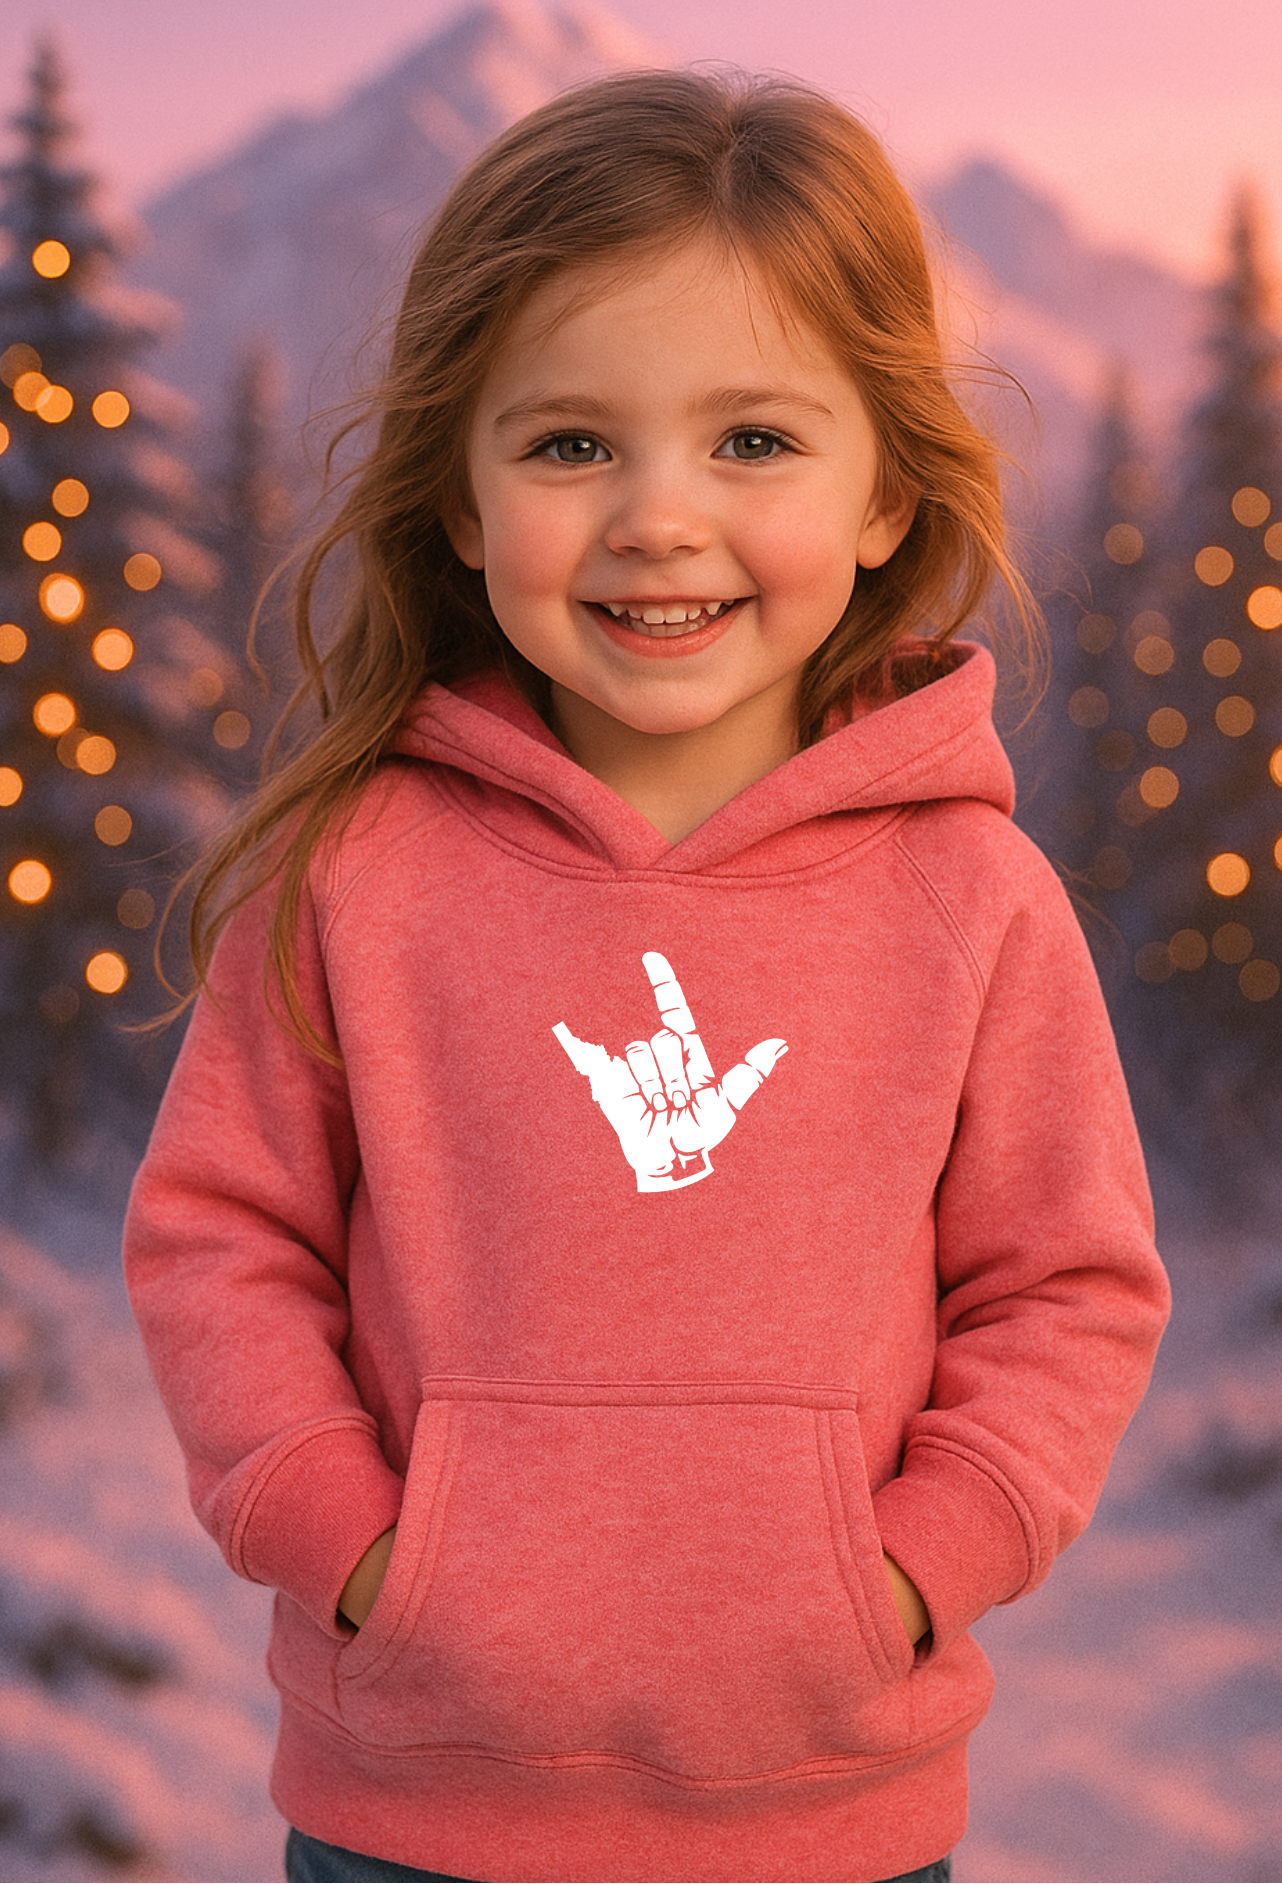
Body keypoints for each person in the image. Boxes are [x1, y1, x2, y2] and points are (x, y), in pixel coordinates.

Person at [122, 68, 1170, 1884]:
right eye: (570, 445)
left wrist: (912, 1570)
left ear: (881, 495)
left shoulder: (972, 896)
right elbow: (221, 1239)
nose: (657, 519)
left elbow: (1065, 1290)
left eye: (752, 442)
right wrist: (358, 1543)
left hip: (831, 1813)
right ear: (458, 500)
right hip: (411, 1808)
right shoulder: (357, 874)